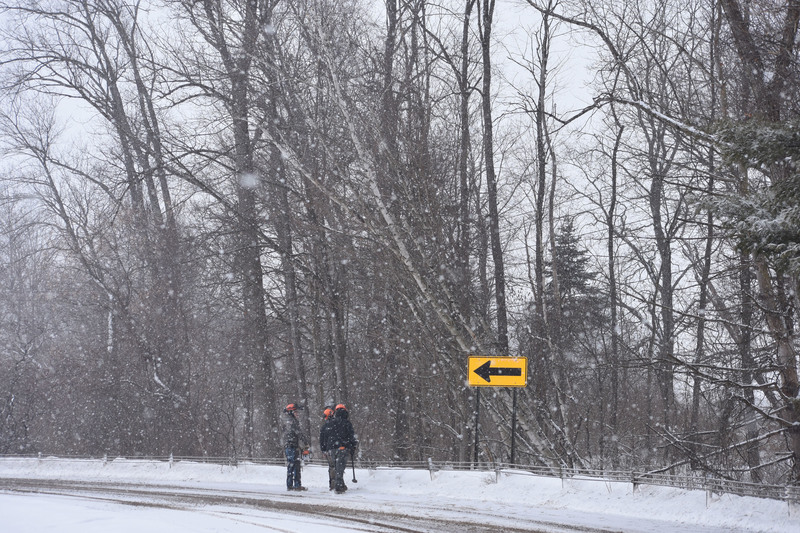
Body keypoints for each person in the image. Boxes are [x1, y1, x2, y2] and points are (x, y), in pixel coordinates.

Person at [328, 403, 358, 494]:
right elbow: (351, 436)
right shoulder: (346, 423)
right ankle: (339, 486)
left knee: (337, 468)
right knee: (340, 468)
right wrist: (352, 446)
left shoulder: (331, 422)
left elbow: (328, 436)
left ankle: (339, 484)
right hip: (342, 448)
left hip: (333, 448)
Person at [281, 403, 310, 491]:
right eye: (296, 412)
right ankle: (296, 485)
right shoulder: (292, 422)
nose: (297, 414)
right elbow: (298, 433)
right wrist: (306, 443)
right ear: (291, 412)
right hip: (292, 446)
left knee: (292, 465)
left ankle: (291, 485)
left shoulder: (287, 421)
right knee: (295, 465)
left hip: (290, 446)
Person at [319, 406, 336, 490]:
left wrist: (323, 450)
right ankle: (339, 483)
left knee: (331, 467)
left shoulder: (324, 427)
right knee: (338, 467)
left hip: (329, 450)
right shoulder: (337, 425)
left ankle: (332, 485)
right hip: (337, 448)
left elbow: (321, 440)